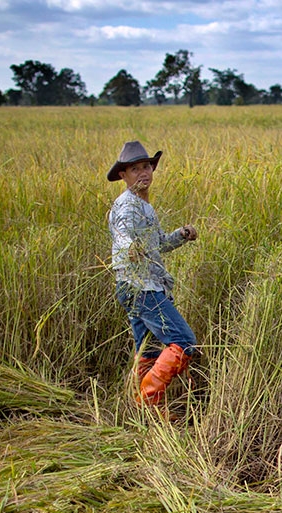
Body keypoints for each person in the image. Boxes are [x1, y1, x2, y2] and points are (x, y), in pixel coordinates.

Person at [107, 140, 199, 407]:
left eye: (146, 166)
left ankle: (147, 409)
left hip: (141, 285)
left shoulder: (144, 205)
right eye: (135, 169)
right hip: (140, 287)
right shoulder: (126, 206)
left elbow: (157, 243)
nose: (143, 173)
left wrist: (181, 236)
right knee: (183, 341)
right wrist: (129, 248)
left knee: (146, 348)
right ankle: (147, 401)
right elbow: (122, 235)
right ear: (123, 175)